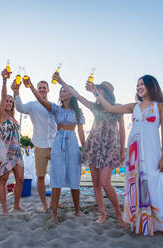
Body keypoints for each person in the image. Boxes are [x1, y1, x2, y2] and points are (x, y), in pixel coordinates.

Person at [90, 75, 163, 238]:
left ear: (151, 86)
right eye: (137, 85)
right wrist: (96, 93)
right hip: (134, 153)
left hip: (152, 151)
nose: (138, 87)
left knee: (155, 183)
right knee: (138, 186)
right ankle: (144, 222)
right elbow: (110, 108)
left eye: (142, 84)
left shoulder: (161, 106)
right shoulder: (134, 106)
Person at [56, 75, 126, 225]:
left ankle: (119, 214)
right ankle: (102, 213)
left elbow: (122, 131)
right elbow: (77, 95)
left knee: (105, 182)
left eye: (101, 89)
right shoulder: (95, 107)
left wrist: (122, 151)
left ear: (107, 93)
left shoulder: (117, 107)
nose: (98, 92)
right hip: (94, 146)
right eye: (98, 89)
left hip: (111, 147)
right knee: (95, 183)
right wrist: (61, 81)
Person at [25, 75, 85, 224]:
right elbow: (41, 101)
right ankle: (54, 214)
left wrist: (84, 150)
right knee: (56, 177)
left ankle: (77, 210)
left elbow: (81, 132)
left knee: (74, 176)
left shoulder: (78, 112)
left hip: (72, 142)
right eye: (61, 91)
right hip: (57, 143)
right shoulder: (56, 109)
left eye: (65, 91)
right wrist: (32, 86)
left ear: (71, 94)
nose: (62, 93)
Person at [12, 80, 57, 212]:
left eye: (44, 87)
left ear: (48, 90)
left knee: (56, 176)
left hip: (55, 145)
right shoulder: (32, 106)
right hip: (40, 145)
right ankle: (44, 204)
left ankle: (54, 202)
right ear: (37, 90)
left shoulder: (53, 106)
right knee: (41, 176)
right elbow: (19, 107)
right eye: (40, 88)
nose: (42, 89)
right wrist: (16, 92)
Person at [0, 69, 24, 213]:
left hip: (17, 151)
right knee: (3, 180)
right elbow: (2, 97)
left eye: (11, 101)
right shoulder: (1, 115)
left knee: (20, 178)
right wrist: (5, 81)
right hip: (4, 152)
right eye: (7, 100)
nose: (9, 103)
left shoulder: (13, 117)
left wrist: (16, 91)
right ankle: (5, 209)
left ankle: (16, 204)